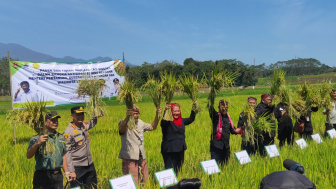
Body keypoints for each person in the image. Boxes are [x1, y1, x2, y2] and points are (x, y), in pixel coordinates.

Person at [118, 104, 161, 186]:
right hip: (130, 157)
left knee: (145, 180)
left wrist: (157, 115)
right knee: (133, 182)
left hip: (141, 156)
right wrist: (127, 117)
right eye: (134, 113)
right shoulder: (124, 123)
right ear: (129, 113)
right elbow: (121, 130)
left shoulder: (140, 123)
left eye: (137, 113)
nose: (136, 115)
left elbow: (152, 127)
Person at [27, 111, 70, 189]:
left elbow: (63, 155)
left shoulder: (61, 137)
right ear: (45, 122)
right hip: (42, 176)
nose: (55, 122)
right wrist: (37, 143)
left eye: (56, 120)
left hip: (57, 176)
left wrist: (66, 172)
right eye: (52, 120)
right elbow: (29, 155)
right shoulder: (37, 138)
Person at [63, 106, 98, 189]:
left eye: (82, 114)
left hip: (89, 165)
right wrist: (71, 171)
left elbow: (93, 122)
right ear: (72, 116)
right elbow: (67, 152)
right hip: (77, 167)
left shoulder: (84, 126)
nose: (81, 116)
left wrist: (96, 107)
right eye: (78, 114)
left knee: (93, 187)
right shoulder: (68, 132)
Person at [160, 102, 196, 175]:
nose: (176, 113)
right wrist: (165, 111)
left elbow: (191, 119)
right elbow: (163, 123)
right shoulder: (167, 122)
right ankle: (169, 186)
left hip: (180, 150)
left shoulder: (182, 121)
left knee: (177, 171)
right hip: (169, 151)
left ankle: (176, 185)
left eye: (178, 111)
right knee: (169, 172)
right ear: (171, 111)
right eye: (174, 111)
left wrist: (194, 108)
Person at [209, 99, 242, 165]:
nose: (224, 109)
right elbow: (211, 110)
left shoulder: (228, 118)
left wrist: (243, 128)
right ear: (218, 107)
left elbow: (233, 130)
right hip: (216, 146)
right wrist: (211, 98)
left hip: (226, 147)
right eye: (222, 107)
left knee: (225, 166)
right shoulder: (216, 116)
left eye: (226, 107)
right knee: (216, 166)